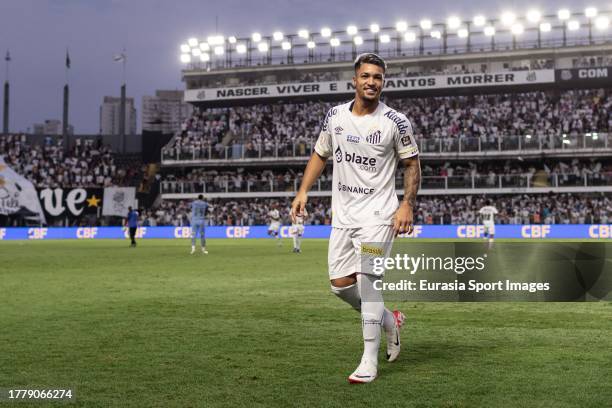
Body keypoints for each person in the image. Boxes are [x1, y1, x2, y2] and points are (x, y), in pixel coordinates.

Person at [291, 53, 421, 384]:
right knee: (339, 286)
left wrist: (406, 204)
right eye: (366, 76)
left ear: (383, 82)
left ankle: (368, 360)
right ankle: (389, 321)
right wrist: (303, 191)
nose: (371, 82)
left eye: (377, 77)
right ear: (354, 80)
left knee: (368, 281)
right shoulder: (334, 117)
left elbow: (411, 164)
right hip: (344, 216)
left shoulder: (395, 122)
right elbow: (320, 154)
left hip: (379, 217)